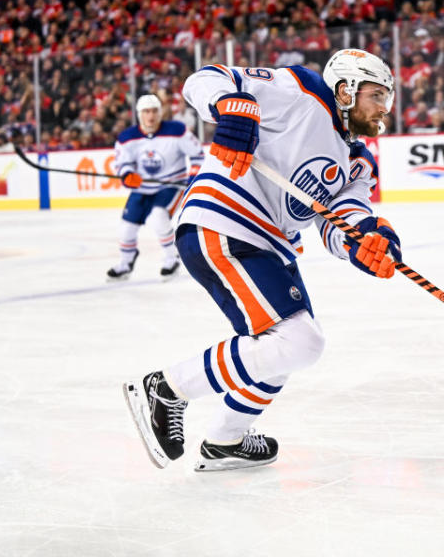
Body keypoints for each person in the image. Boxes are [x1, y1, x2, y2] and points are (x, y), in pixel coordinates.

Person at [123, 50, 401, 471]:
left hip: (269, 243)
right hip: (223, 220)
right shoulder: (301, 91)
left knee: (282, 348)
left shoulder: (359, 162)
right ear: (345, 89)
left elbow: (342, 221)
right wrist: (232, 107)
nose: (384, 108)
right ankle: (168, 388)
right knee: (299, 341)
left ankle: (225, 439)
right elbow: (205, 78)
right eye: (376, 95)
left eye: (387, 98)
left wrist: (368, 241)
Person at [107, 94, 205, 281]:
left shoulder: (177, 130)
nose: (150, 116)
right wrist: (128, 175)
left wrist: (192, 177)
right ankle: (126, 263)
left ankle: (171, 258)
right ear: (139, 114)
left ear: (160, 113)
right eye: (146, 112)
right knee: (127, 228)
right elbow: (122, 162)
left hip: (170, 185)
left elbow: (198, 156)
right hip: (142, 188)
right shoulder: (127, 138)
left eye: (154, 111)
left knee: (159, 217)